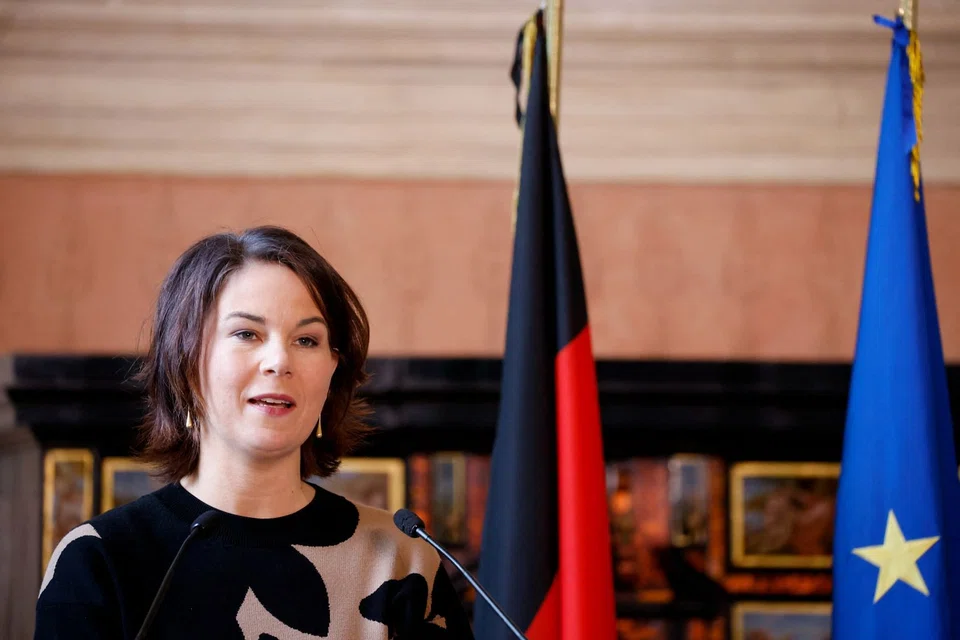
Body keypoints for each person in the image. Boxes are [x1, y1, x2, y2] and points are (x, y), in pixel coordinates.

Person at [35, 226, 475, 639]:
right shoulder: (99, 559)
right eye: (247, 333)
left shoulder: (402, 561)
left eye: (307, 340)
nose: (279, 361)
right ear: (185, 363)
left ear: (332, 372)